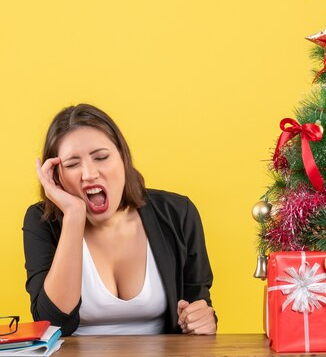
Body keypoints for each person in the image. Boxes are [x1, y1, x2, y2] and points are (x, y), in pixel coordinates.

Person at [22, 104, 216, 336]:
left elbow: (199, 307)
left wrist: (204, 319)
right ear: (56, 175)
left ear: (123, 158)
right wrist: (74, 216)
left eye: (101, 157)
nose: (89, 174)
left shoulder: (178, 213)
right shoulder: (42, 221)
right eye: (72, 164)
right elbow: (53, 322)